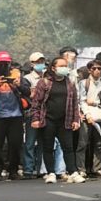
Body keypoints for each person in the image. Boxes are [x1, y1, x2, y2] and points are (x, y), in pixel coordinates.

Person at [30, 56, 84, 184]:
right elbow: (37, 102)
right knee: (48, 147)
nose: (64, 68)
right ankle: (51, 173)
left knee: (68, 147)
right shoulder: (44, 82)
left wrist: (76, 119)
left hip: (65, 120)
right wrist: (35, 118)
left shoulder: (70, 83)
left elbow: (75, 103)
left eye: (65, 65)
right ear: (53, 68)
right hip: (48, 119)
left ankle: (73, 172)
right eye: (61, 66)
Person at [0, 51, 28, 181]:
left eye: (6, 64)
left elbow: (27, 92)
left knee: (15, 144)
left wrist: (17, 85)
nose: (4, 66)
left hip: (15, 115)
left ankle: (13, 170)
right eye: (1, 64)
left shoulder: (17, 75)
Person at [76, 59, 101, 177]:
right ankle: (81, 168)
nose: (97, 71)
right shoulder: (84, 83)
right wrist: (87, 114)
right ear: (89, 70)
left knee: (100, 144)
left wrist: (94, 102)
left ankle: (97, 169)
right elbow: (82, 101)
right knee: (83, 144)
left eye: (99, 68)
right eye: (94, 68)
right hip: (87, 117)